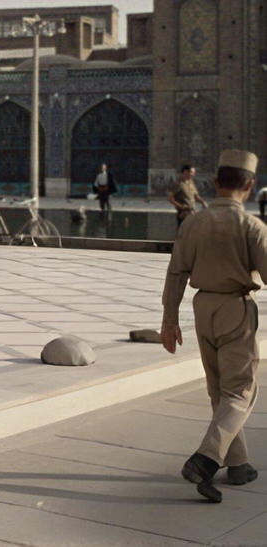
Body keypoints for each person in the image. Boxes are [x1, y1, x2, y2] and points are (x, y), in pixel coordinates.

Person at [162, 149, 263, 503]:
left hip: (202, 307)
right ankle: (205, 460)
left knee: (220, 389)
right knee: (241, 391)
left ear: (216, 183)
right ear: (249, 186)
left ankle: (238, 463)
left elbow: (176, 272)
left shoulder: (193, 222)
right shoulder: (252, 227)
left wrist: (169, 319)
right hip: (235, 307)